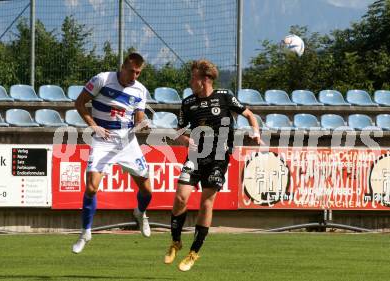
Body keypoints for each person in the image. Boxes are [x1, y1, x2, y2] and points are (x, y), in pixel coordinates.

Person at [164, 59, 263, 271]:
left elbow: (249, 114)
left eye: (193, 78)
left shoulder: (225, 96)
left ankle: (194, 252)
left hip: (218, 157)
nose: (190, 81)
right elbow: (178, 130)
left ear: (205, 79)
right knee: (181, 197)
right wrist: (183, 139)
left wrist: (255, 131)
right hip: (195, 155)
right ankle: (175, 241)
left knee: (206, 203)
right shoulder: (188, 103)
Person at [72, 52, 152, 254]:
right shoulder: (102, 79)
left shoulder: (140, 90)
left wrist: (143, 125)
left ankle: (140, 213)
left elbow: (139, 121)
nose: (135, 76)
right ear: (123, 67)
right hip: (102, 138)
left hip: (127, 142)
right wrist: (94, 126)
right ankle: (85, 233)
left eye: (138, 73)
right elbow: (79, 103)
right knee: (91, 187)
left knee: (147, 190)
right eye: (132, 71)